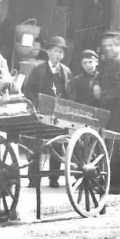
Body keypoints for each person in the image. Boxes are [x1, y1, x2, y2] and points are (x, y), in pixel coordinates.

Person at [23, 36, 76, 188]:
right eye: (55, 51)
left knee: (57, 145)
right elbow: (28, 90)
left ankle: (54, 178)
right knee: (35, 145)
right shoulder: (38, 70)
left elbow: (71, 94)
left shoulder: (66, 72)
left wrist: (65, 109)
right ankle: (33, 179)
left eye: (61, 52)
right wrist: (36, 104)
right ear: (48, 52)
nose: (58, 55)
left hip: (58, 114)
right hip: (40, 112)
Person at [92, 31, 120, 194]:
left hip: (118, 108)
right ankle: (112, 182)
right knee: (110, 145)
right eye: (105, 46)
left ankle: (116, 185)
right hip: (112, 107)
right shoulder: (111, 62)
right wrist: (97, 84)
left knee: (115, 146)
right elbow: (100, 76)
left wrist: (102, 94)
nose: (108, 49)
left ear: (119, 45)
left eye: (111, 45)